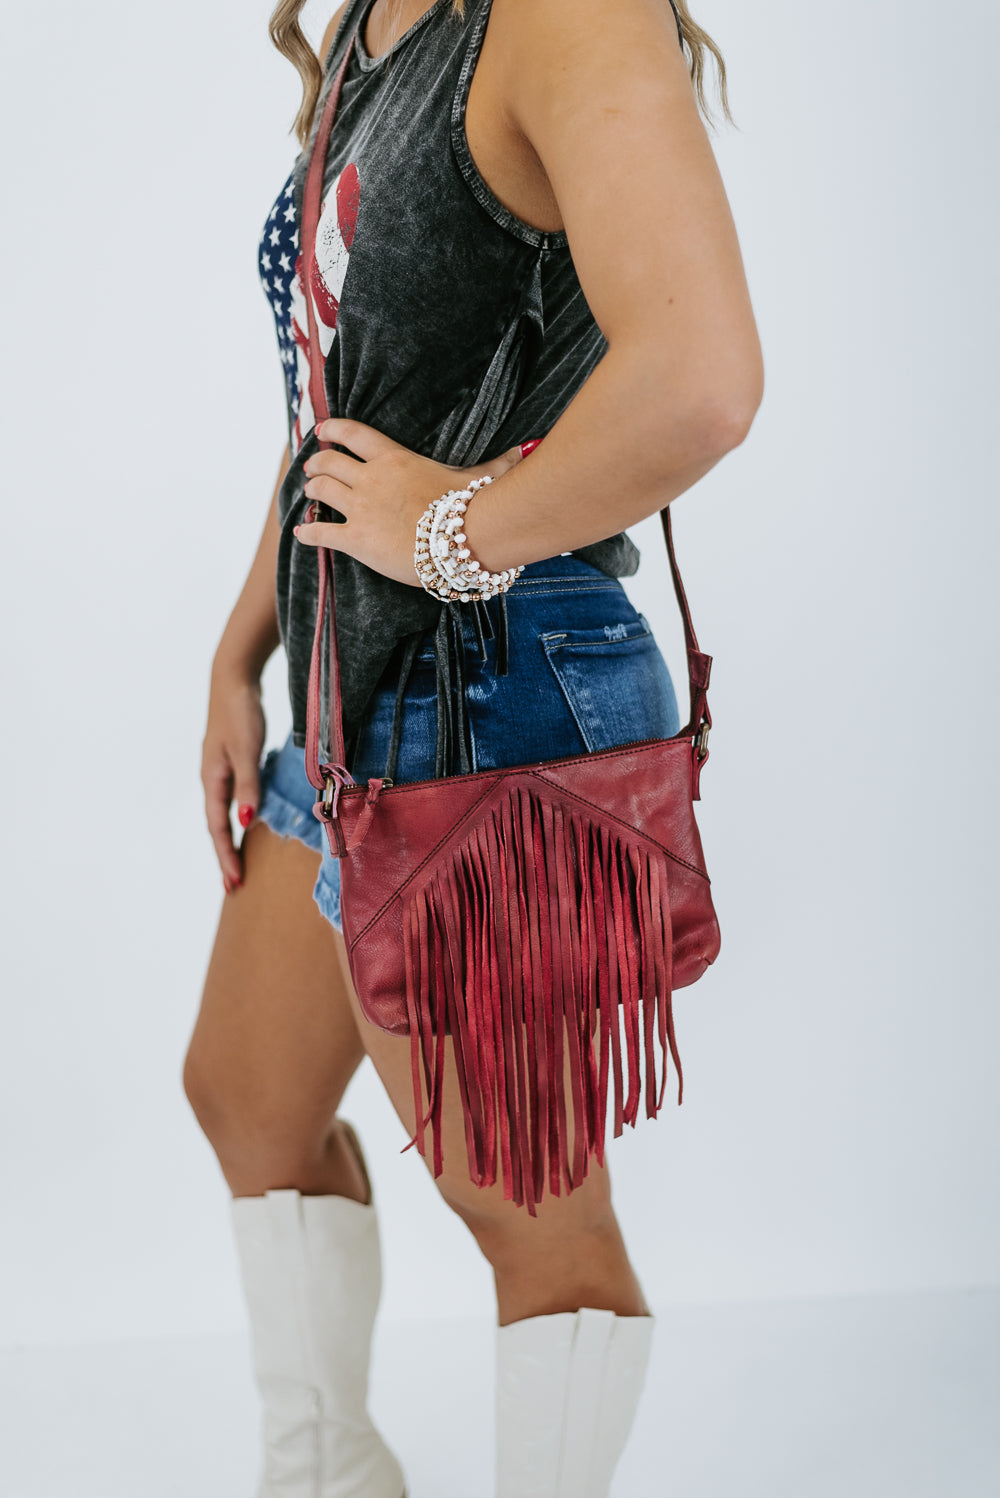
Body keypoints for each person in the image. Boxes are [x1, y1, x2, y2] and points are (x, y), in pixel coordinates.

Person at [183, 0, 763, 1491]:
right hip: (349, 680)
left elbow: (702, 378)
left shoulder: (559, 13)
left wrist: (446, 532)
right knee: (247, 1096)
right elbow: (344, 407)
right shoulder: (378, 24)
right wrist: (244, 647)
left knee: (531, 1219)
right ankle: (327, 1475)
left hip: (493, 696)